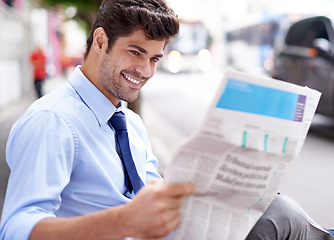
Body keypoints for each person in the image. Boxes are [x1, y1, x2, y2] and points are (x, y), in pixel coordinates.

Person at [0, 0, 333, 240]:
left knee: (277, 211)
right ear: (100, 41)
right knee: (284, 220)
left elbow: (151, 187)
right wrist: (124, 221)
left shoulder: (129, 123)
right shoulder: (51, 121)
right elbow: (15, 230)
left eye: (155, 58)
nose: (145, 71)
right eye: (135, 52)